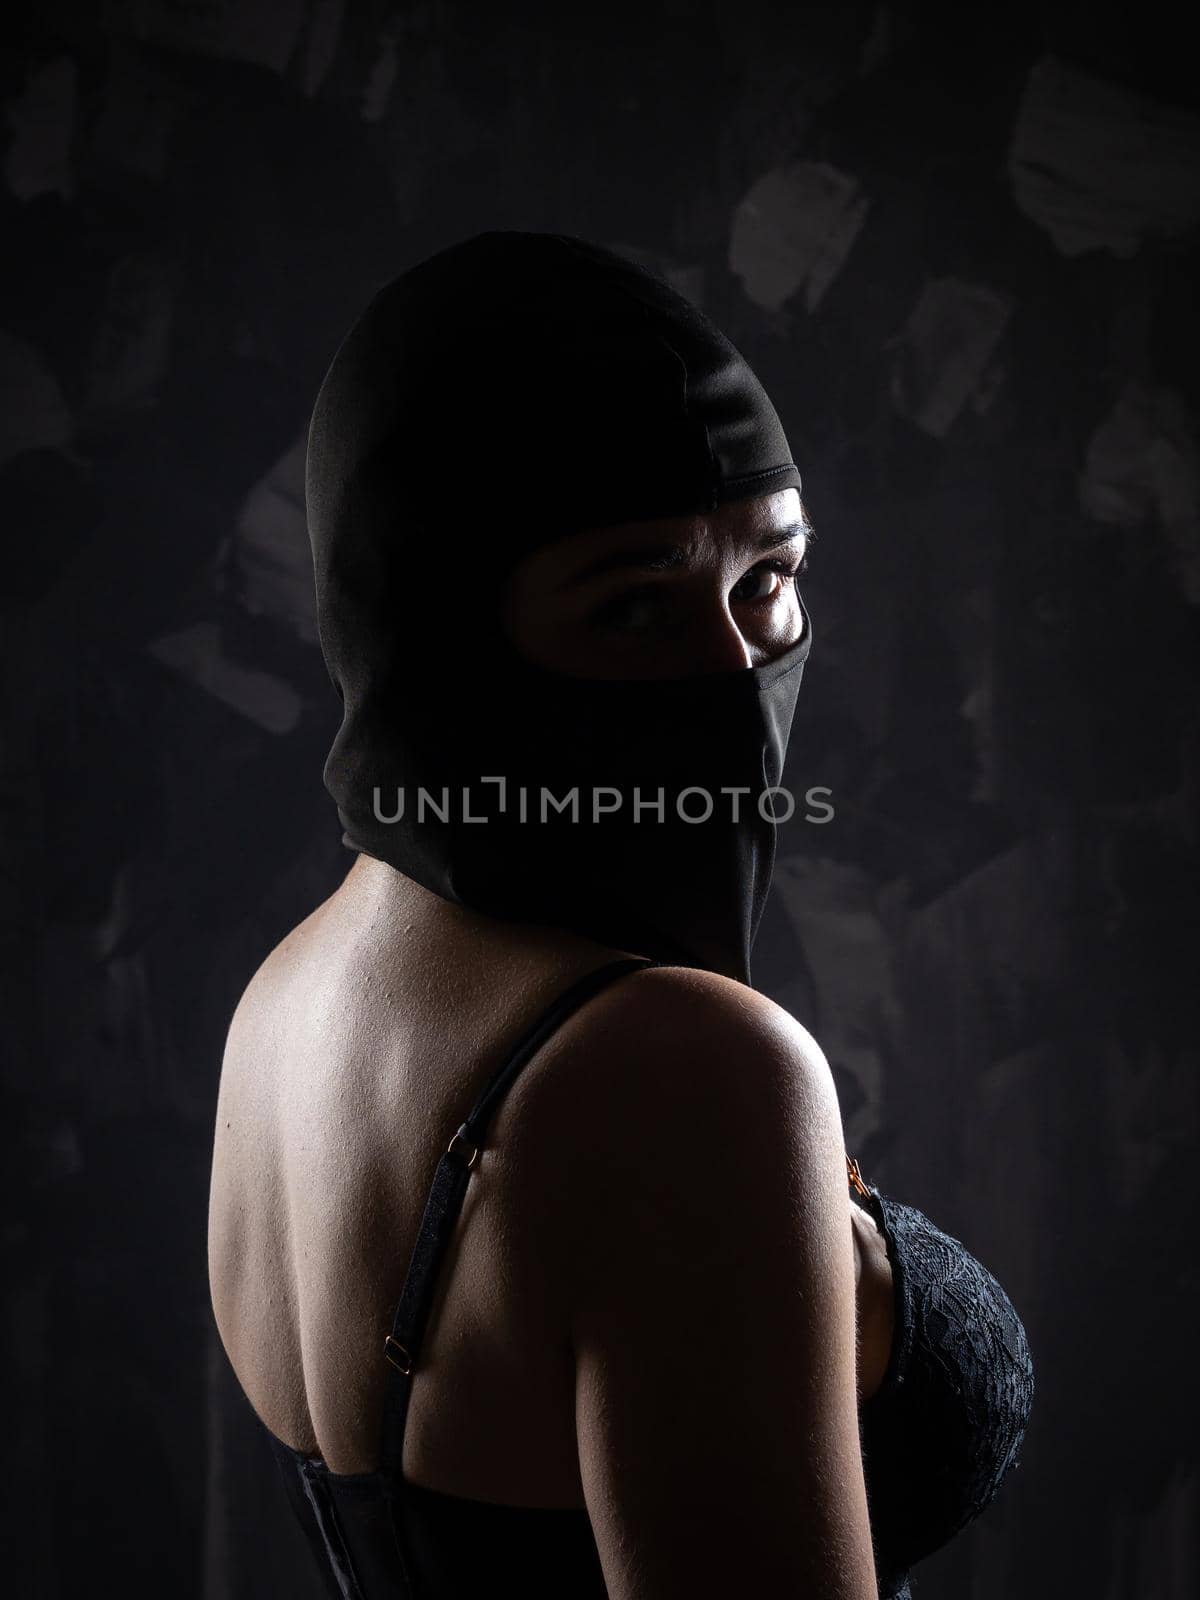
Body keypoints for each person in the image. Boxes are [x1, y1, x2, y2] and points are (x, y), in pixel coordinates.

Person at [207, 231, 1034, 1600]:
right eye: (635, 606)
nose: (733, 671)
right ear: (443, 634)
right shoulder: (685, 1073)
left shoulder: (285, 1001)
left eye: (768, 580)